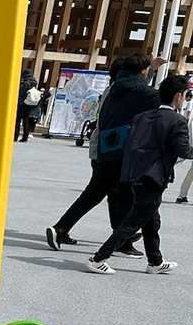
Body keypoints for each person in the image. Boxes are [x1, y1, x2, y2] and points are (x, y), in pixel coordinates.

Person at [44, 54, 159, 253]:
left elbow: (137, 91)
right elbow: (145, 97)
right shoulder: (133, 92)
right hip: (114, 151)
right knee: (103, 194)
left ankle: (121, 239)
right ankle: (61, 228)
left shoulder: (115, 89)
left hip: (106, 147)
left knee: (114, 194)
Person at [86, 73, 190, 274]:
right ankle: (98, 258)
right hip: (154, 176)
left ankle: (155, 262)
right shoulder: (177, 121)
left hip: (134, 174)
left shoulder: (142, 117)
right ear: (178, 96)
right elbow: (184, 150)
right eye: (185, 95)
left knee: (151, 219)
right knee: (134, 221)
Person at [16, 71, 42, 141]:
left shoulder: (26, 83)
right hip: (29, 104)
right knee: (26, 121)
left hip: (22, 104)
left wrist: (19, 100)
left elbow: (22, 94)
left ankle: (15, 136)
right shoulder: (34, 82)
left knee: (18, 121)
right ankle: (25, 137)